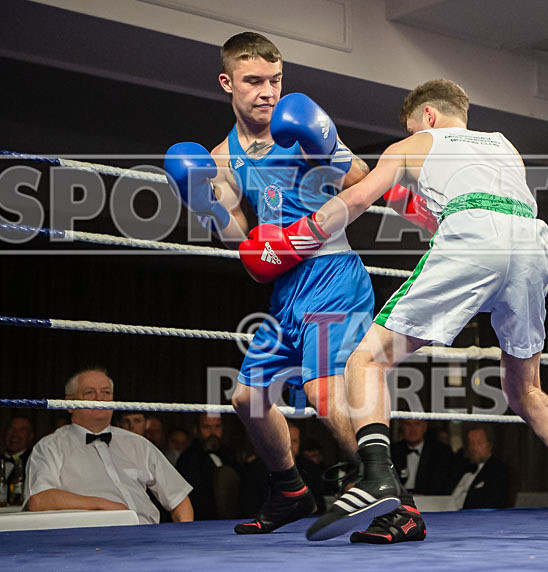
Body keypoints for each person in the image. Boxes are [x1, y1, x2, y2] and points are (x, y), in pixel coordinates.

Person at [280, 78, 548, 540]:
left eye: (413, 126)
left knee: (367, 359)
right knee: (525, 389)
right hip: (532, 244)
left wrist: (297, 236)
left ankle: (376, 475)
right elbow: (464, 208)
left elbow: (358, 198)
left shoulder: (417, 142)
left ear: (428, 117)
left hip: (472, 234)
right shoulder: (504, 145)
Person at [163, 31, 424, 542]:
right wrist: (207, 203)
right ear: (227, 83)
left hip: (333, 275)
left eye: (275, 80)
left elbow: (363, 179)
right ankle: (289, 489)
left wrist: (326, 145)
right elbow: (242, 240)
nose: (268, 92)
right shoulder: (221, 156)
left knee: (325, 392)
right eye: (254, 81)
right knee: (247, 398)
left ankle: (400, 503)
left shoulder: (300, 124)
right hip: (285, 287)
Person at [25, 368, 193, 524]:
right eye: (89, 392)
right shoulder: (50, 446)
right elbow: (39, 500)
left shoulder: (138, 443)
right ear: (69, 403)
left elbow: (179, 499)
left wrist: (184, 538)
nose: (100, 398)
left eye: (106, 392)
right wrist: (101, 505)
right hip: (92, 538)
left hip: (148, 535)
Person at [176, 413, 240, 520]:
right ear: (196, 430)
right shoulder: (188, 459)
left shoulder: (229, 454)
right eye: (206, 427)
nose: (213, 432)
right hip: (202, 521)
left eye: (217, 426)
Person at [450, 427, 509, 510]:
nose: (474, 448)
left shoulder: (498, 470)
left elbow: (493, 503)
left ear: (489, 445)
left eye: (479, 443)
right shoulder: (462, 467)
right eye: (471, 443)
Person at [391, 419, 455, 495]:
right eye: (408, 424)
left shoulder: (440, 451)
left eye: (417, 424)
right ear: (402, 427)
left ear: (425, 427)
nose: (413, 429)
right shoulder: (392, 451)